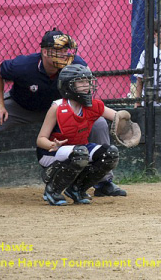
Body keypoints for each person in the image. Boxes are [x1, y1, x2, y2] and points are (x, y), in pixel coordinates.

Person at [0, 29, 126, 199]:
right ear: (44, 52)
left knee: (99, 123)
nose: (63, 54)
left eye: (65, 50)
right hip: (21, 106)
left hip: (60, 109)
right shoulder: (24, 65)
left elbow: (85, 91)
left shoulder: (74, 62)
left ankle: (103, 182)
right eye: (58, 50)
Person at [36, 64, 123, 206]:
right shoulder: (57, 107)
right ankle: (53, 190)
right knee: (80, 153)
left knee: (110, 154)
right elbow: (40, 140)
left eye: (88, 81)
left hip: (78, 149)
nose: (86, 85)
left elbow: (119, 117)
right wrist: (52, 144)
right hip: (51, 152)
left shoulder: (92, 105)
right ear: (68, 86)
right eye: (81, 82)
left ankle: (77, 188)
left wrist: (127, 126)